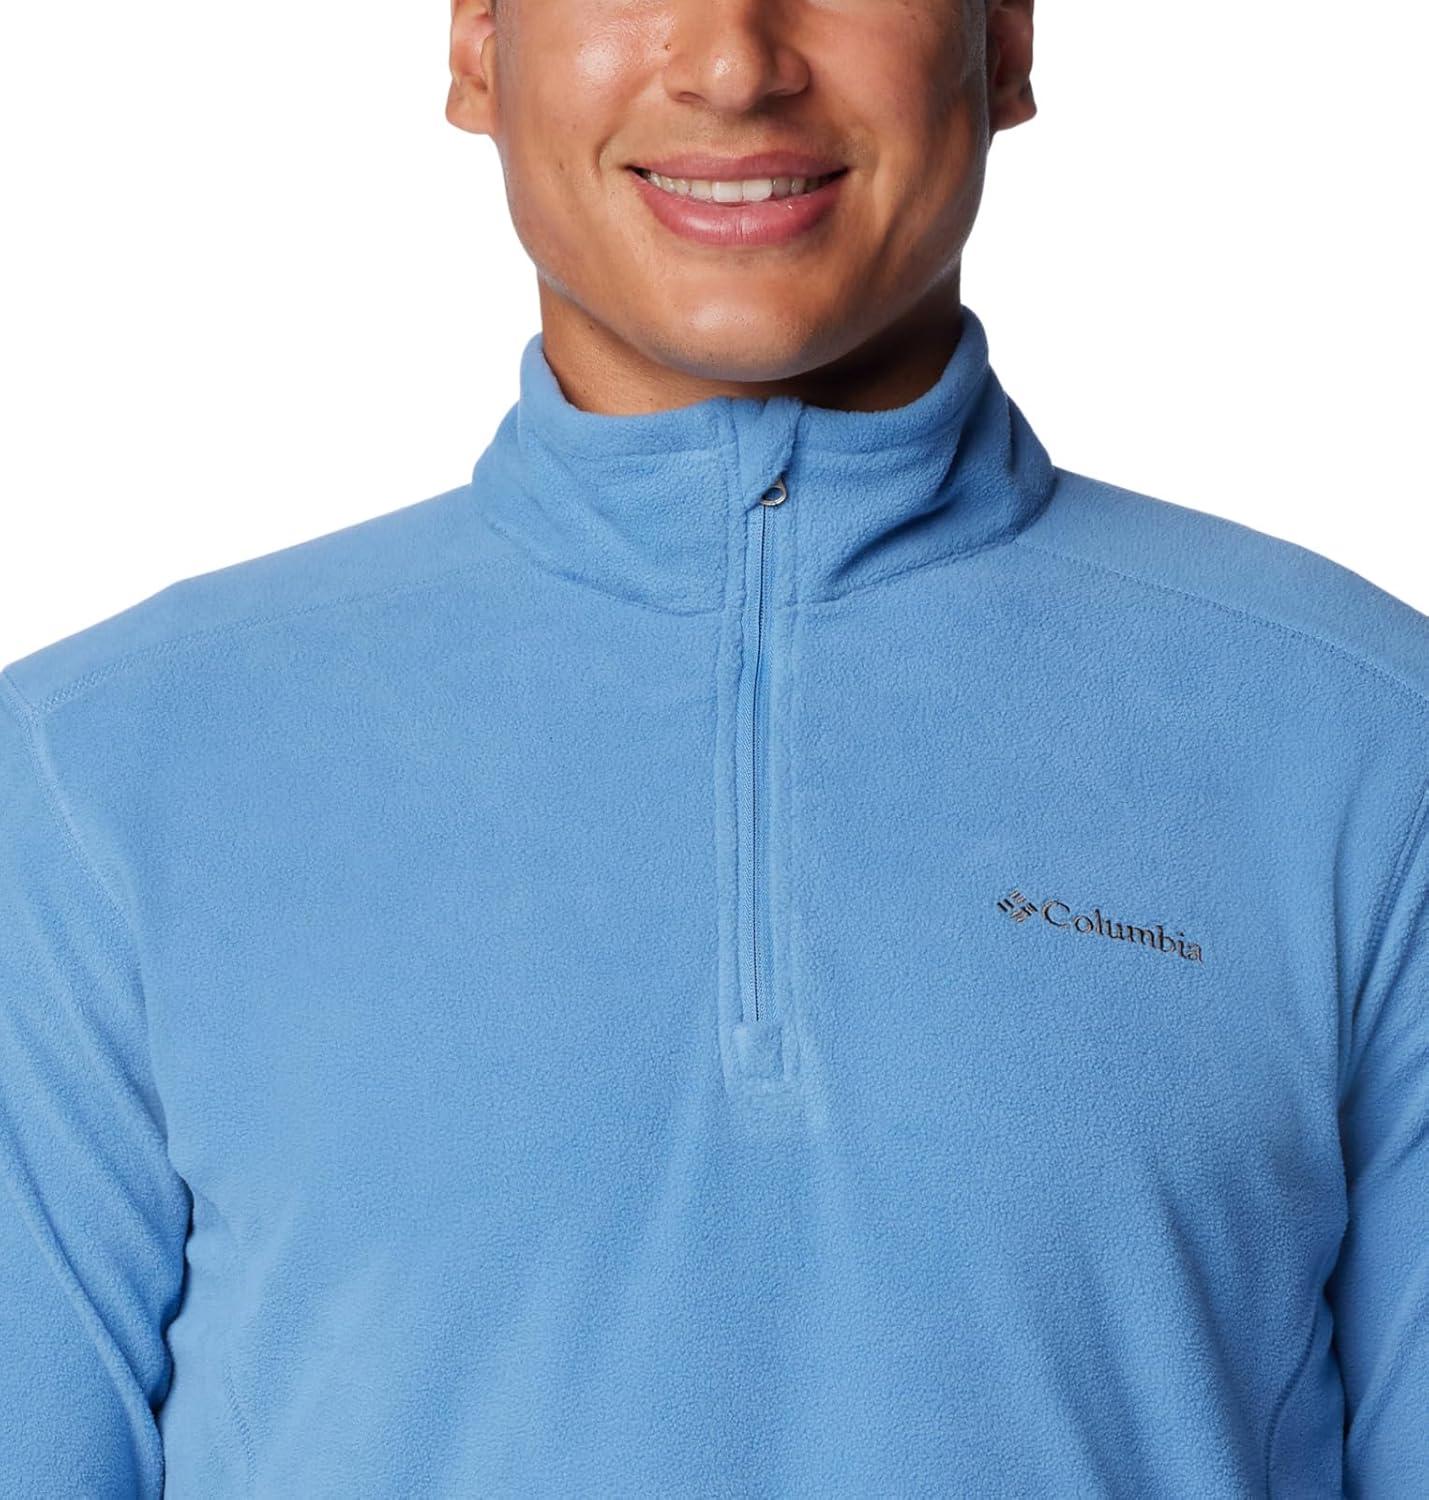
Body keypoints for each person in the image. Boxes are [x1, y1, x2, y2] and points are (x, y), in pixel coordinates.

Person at [2, 0, 1425, 1492]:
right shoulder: (95, 777)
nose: (738, 65)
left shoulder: (1372, 749)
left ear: (1002, 42)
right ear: (478, 47)